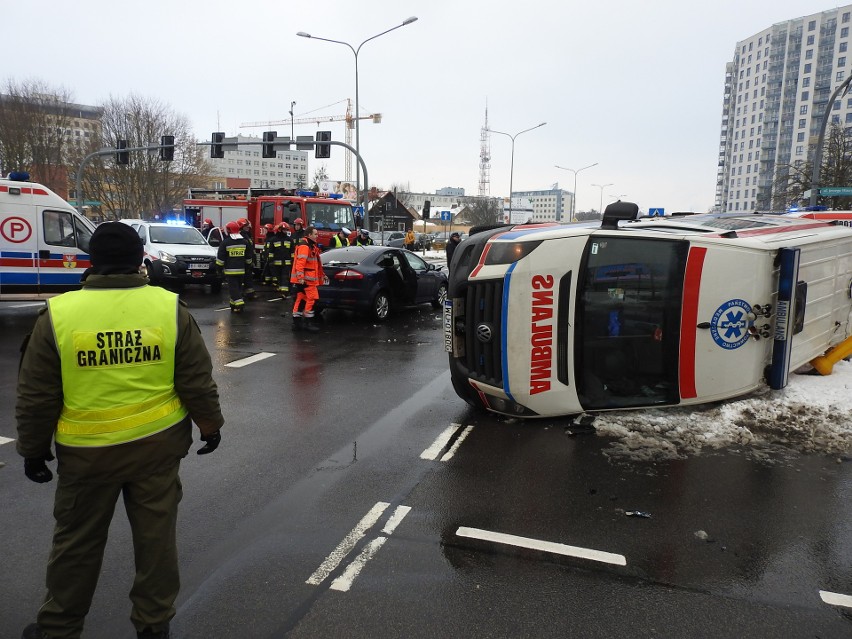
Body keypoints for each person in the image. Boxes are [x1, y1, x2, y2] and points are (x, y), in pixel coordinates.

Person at [16, 222, 224, 639]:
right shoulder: (168, 307)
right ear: (139, 260)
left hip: (86, 457)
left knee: (76, 545)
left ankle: (58, 627)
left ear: (92, 261)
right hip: (157, 452)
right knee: (156, 543)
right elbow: (196, 378)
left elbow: (37, 395)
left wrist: (33, 451)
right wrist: (210, 425)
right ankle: (152, 625)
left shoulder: (58, 313)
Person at [290, 225, 324, 333]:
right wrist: (300, 277)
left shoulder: (309, 245)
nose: (317, 236)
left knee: (301, 299)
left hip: (305, 279)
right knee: (312, 299)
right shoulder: (305, 246)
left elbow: (313, 263)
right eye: (315, 234)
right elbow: (300, 263)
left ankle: (297, 323)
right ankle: (307, 323)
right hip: (307, 279)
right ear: (309, 235)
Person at [217, 220, 253, 312]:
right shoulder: (245, 242)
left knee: (233, 288)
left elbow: (220, 259)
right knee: (237, 288)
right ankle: (233, 304)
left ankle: (239, 303)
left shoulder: (225, 242)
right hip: (242, 271)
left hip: (230, 271)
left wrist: (219, 269)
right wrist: (248, 266)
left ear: (228, 230)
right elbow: (249, 257)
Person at [236, 218, 256, 300]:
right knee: (244, 278)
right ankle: (242, 294)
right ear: (241, 226)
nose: (248, 227)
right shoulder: (241, 235)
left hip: (248, 260)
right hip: (243, 261)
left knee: (248, 277)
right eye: (246, 226)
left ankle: (248, 293)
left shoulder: (247, 235)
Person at [273, 222, 293, 297]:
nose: (285, 231)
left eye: (286, 230)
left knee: (285, 277)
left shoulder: (290, 240)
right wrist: (271, 261)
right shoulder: (274, 240)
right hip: (276, 263)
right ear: (280, 230)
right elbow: (271, 251)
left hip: (286, 263)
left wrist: (292, 260)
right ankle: (281, 289)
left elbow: (292, 251)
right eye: (284, 230)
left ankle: (284, 292)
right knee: (279, 277)